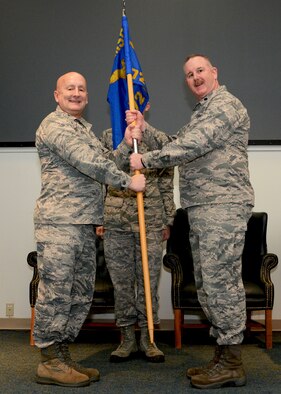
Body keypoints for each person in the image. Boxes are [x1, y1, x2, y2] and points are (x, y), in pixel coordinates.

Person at [129, 54, 255, 389]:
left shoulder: (225, 105)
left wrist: (145, 158)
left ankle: (232, 363)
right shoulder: (202, 111)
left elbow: (191, 146)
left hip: (222, 206)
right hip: (203, 208)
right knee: (208, 286)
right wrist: (144, 127)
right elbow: (176, 143)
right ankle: (223, 353)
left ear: (214, 73)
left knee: (221, 285)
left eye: (200, 71)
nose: (195, 77)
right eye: (189, 74)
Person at [33, 71, 145, 388]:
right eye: (70, 88)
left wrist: (124, 146)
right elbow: (89, 163)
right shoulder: (55, 125)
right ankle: (49, 361)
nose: (77, 93)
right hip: (60, 223)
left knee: (78, 294)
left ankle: (62, 356)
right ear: (57, 95)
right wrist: (128, 181)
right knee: (56, 292)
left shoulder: (83, 129)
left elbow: (105, 159)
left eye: (82, 89)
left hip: (83, 223)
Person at [96, 102, 175, 363]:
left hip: (150, 220)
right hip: (115, 221)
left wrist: (168, 219)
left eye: (138, 103)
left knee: (148, 282)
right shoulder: (109, 136)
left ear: (147, 105)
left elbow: (166, 181)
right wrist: (99, 217)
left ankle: (148, 338)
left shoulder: (157, 139)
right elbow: (100, 175)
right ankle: (127, 338)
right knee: (122, 284)